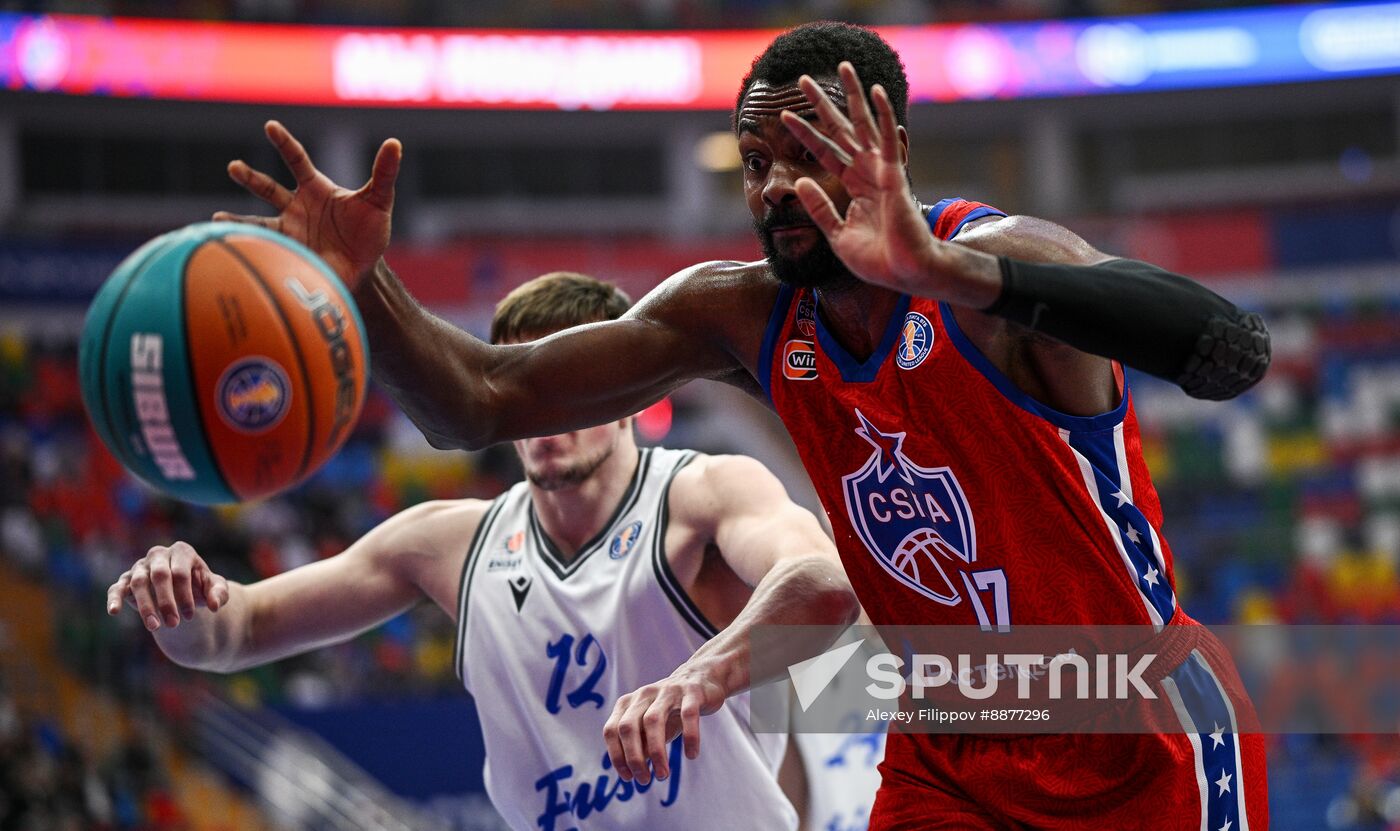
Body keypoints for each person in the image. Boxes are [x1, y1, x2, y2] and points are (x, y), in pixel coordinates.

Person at [211, 20, 1270, 830]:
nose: (771, 189)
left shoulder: (996, 262)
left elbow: (1230, 349)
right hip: (949, 732)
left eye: (799, 155)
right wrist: (362, 285)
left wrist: (939, 272)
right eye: (751, 163)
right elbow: (476, 401)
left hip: (1128, 717)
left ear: (885, 144)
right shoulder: (745, 312)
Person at [106, 272, 872, 831]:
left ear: (633, 397)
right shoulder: (450, 541)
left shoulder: (703, 495)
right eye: (524, 390)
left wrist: (698, 678)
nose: (544, 418)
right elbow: (235, 632)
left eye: (567, 389)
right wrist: (182, 603)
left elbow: (825, 580)